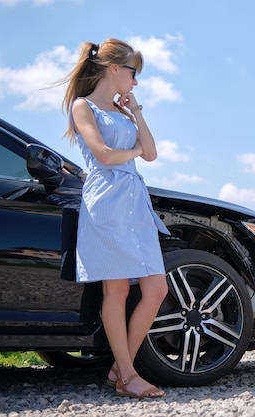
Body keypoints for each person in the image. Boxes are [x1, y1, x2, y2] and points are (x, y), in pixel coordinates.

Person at [60, 38, 169, 399]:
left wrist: (136, 110)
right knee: (117, 290)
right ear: (115, 70)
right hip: (106, 201)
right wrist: (134, 150)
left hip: (135, 203)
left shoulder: (125, 112)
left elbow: (151, 154)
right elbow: (104, 156)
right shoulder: (83, 106)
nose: (135, 82)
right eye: (134, 74)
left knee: (156, 289)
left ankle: (119, 369)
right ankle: (127, 374)